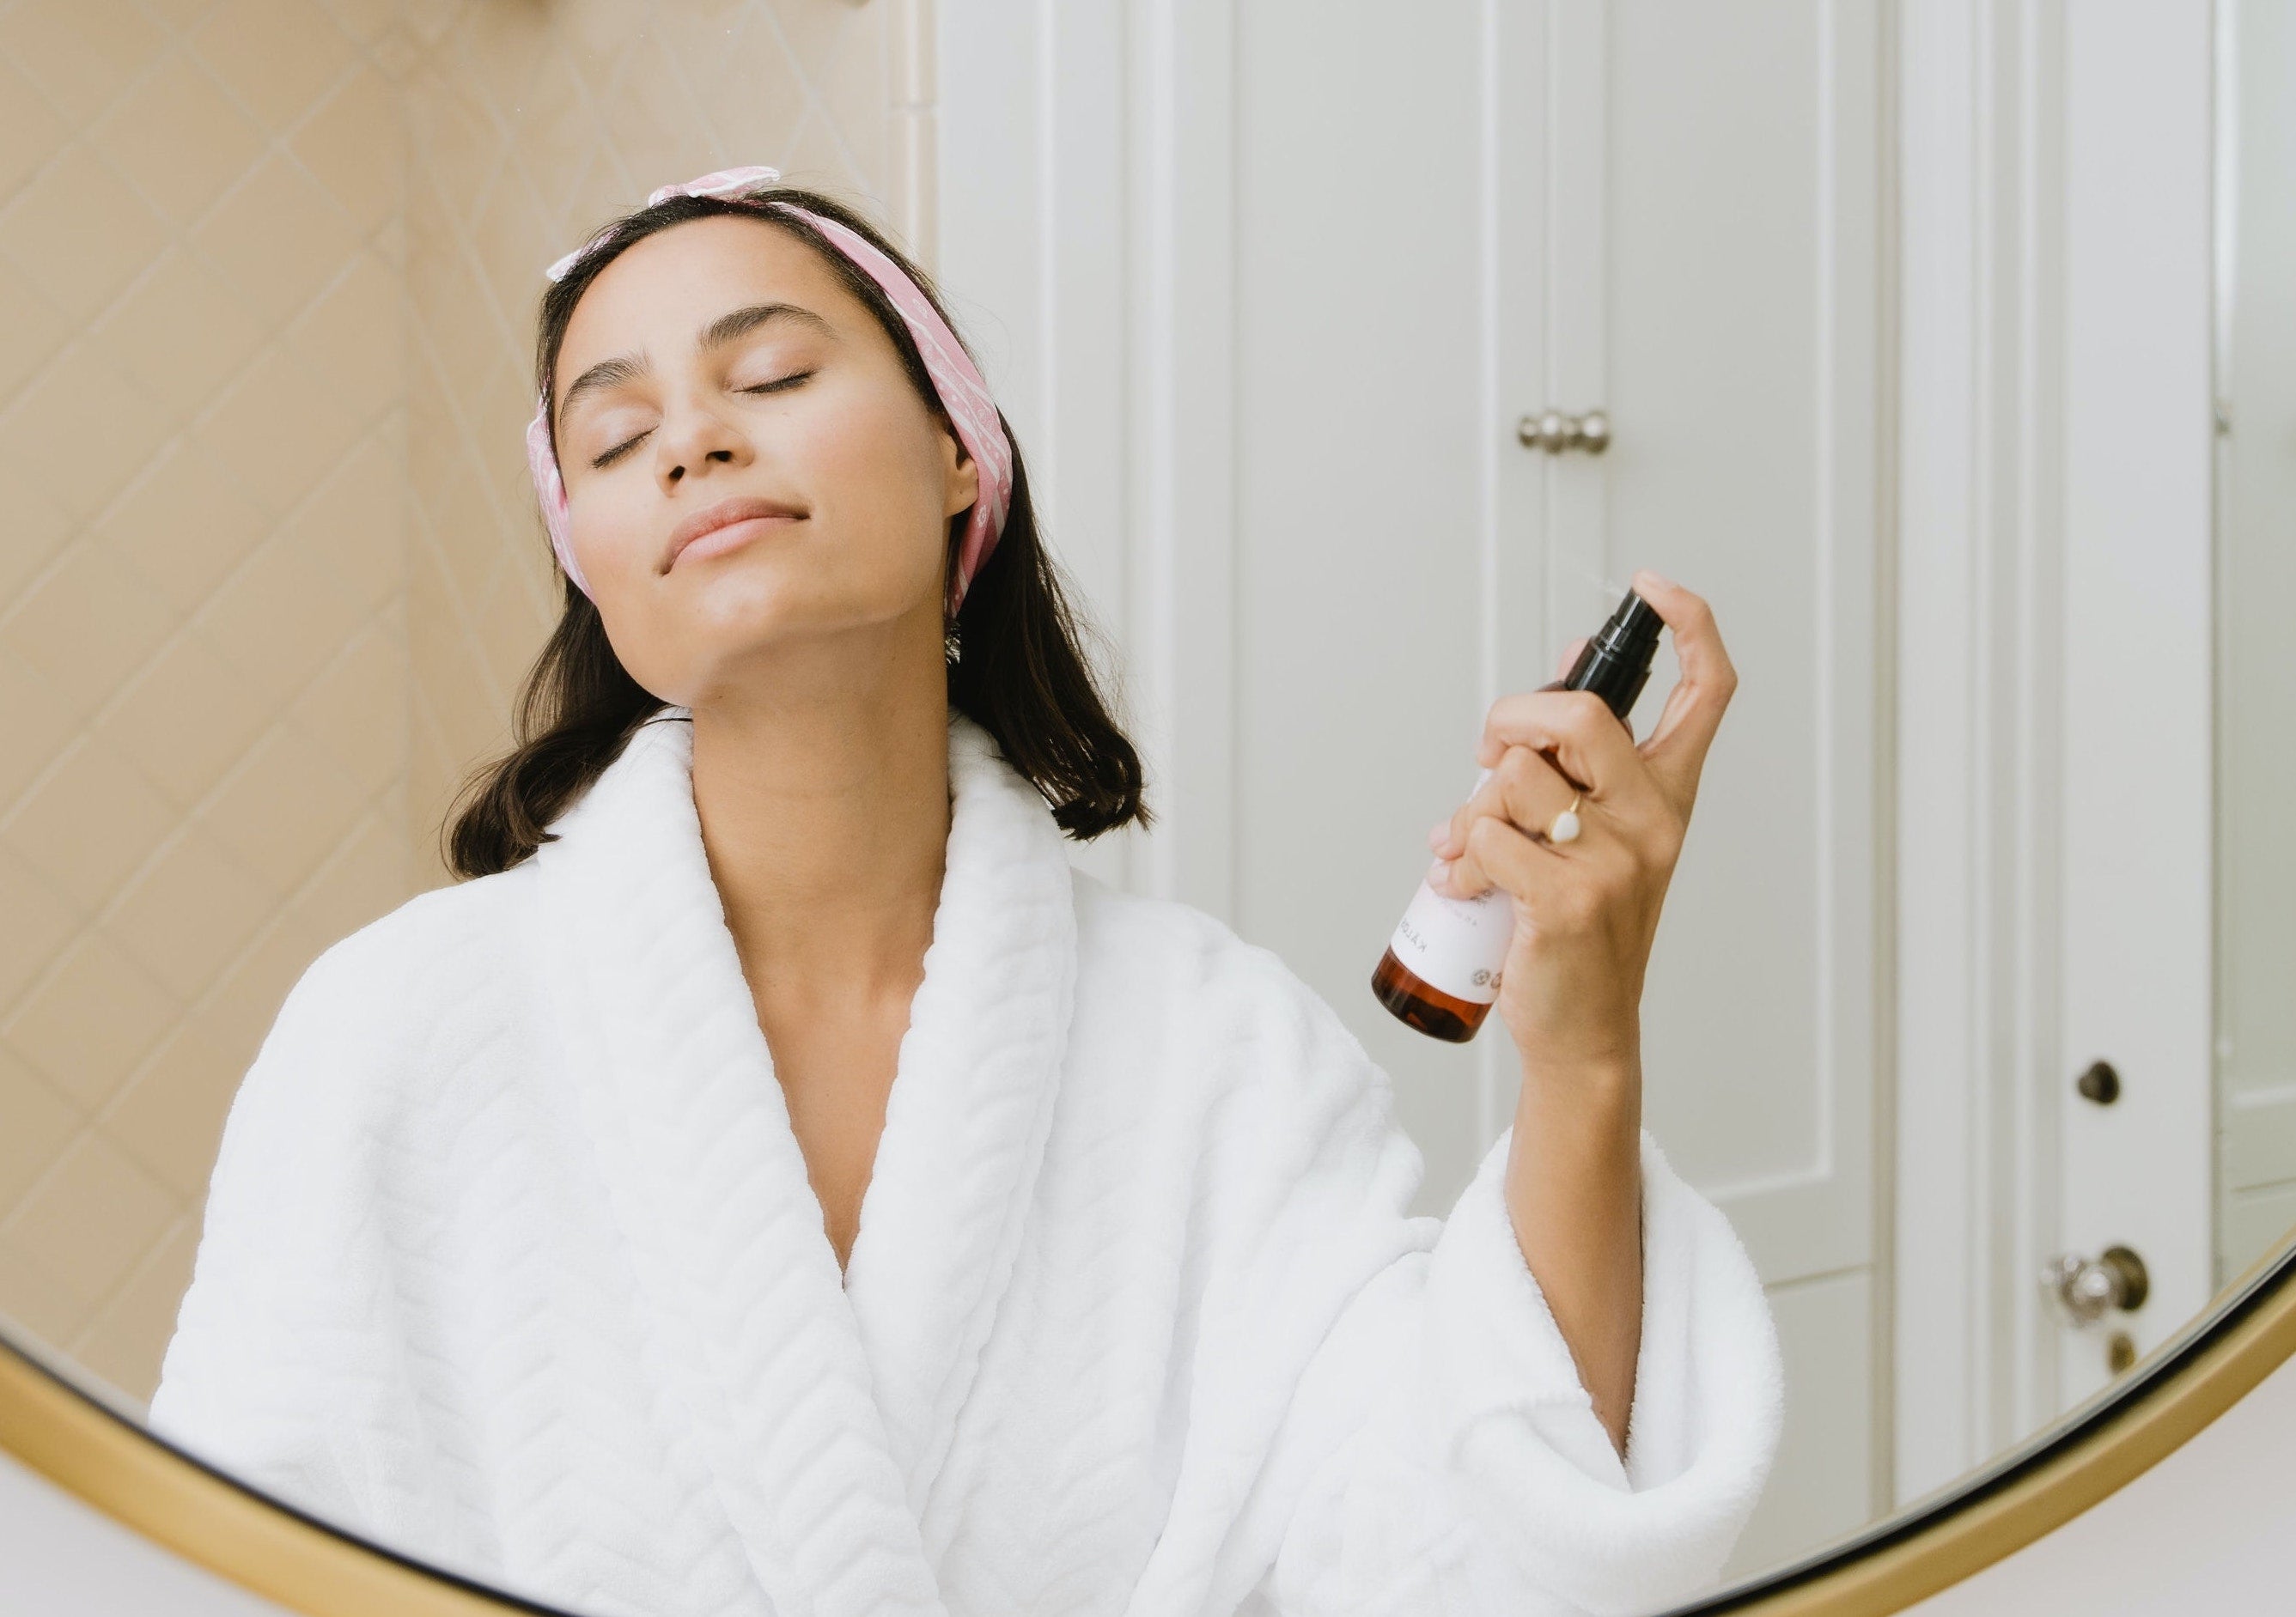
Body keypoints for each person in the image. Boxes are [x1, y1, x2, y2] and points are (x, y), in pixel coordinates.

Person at [149, 167, 1781, 1617]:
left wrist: (1581, 1057)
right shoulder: (394, 1033)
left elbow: (1476, 1554)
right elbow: (223, 1569)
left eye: (771, 373)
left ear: (955, 450)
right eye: (615, 436)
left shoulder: (1219, 1053)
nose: (695, 439)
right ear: (596, 574)